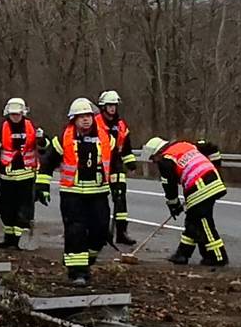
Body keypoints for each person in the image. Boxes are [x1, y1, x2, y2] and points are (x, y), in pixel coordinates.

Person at [42, 97, 115, 286]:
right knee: (76, 232)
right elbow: (47, 163)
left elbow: (114, 163)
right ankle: (78, 272)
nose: (85, 120)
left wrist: (118, 187)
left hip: (98, 193)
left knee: (101, 231)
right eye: (81, 116)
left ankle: (86, 260)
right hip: (72, 194)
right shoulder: (63, 139)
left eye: (88, 116)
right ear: (73, 119)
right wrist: (42, 186)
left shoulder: (106, 139)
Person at [141, 135, 227, 266]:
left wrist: (173, 205)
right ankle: (182, 254)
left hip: (199, 188)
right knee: (192, 221)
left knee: (204, 223)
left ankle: (217, 257)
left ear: (157, 152)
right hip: (211, 182)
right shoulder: (185, 145)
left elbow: (169, 187)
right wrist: (216, 168)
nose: (154, 162)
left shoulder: (166, 159)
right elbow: (212, 148)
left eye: (153, 159)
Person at [0, 97, 44, 250]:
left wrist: (41, 139)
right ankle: (9, 239)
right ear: (8, 114)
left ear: (23, 113)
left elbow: (45, 147)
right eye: (13, 114)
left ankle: (20, 239)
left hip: (27, 176)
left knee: (24, 209)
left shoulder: (33, 128)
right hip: (6, 177)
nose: (15, 117)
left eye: (18, 114)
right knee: (7, 210)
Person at [95, 90, 133, 245]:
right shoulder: (95, 122)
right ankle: (101, 232)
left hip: (116, 166)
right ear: (103, 107)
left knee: (120, 198)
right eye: (109, 105)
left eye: (114, 105)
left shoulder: (121, 125)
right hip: (99, 166)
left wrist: (130, 161)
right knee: (99, 200)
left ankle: (121, 232)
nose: (112, 108)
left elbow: (126, 147)